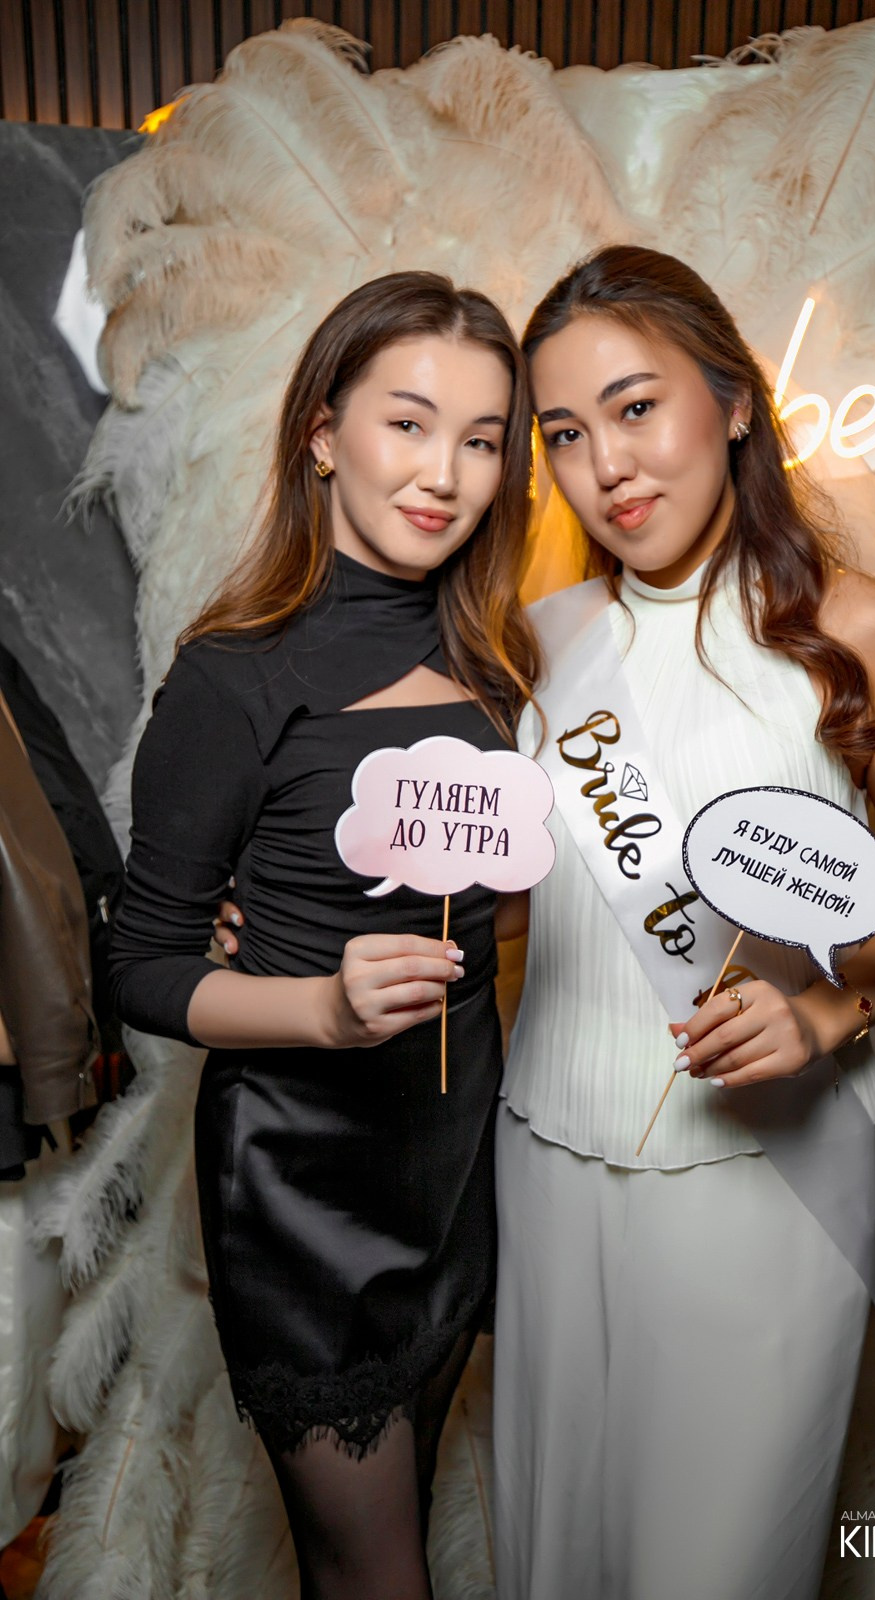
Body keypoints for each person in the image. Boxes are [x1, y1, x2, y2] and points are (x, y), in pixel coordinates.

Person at [491, 246, 875, 1600]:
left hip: (765, 1181)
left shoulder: (856, 626)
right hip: (546, 1159)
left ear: (729, 401)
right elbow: (514, 896)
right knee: (556, 1560)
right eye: (564, 433)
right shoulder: (541, 643)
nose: (606, 464)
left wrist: (827, 1011)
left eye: (636, 407)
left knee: (716, 1569)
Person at [108, 271, 539, 1600]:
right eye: (408, 423)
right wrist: (317, 1006)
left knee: (388, 1532)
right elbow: (139, 965)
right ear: (321, 434)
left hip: (453, 1154)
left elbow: (504, 890)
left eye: (482, 440)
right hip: (304, 1179)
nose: (445, 474)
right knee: (375, 1571)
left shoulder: (498, 663)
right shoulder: (234, 674)